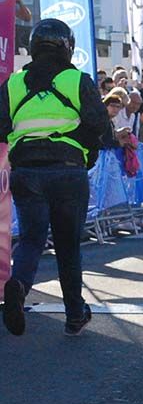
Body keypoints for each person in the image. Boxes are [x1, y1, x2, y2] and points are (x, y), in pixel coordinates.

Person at [0, 19, 110, 337]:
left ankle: (18, 286)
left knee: (32, 239)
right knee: (67, 246)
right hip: (67, 170)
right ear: (67, 47)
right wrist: (85, 151)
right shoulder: (77, 79)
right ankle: (75, 314)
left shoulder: (13, 84)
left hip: (27, 172)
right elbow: (99, 124)